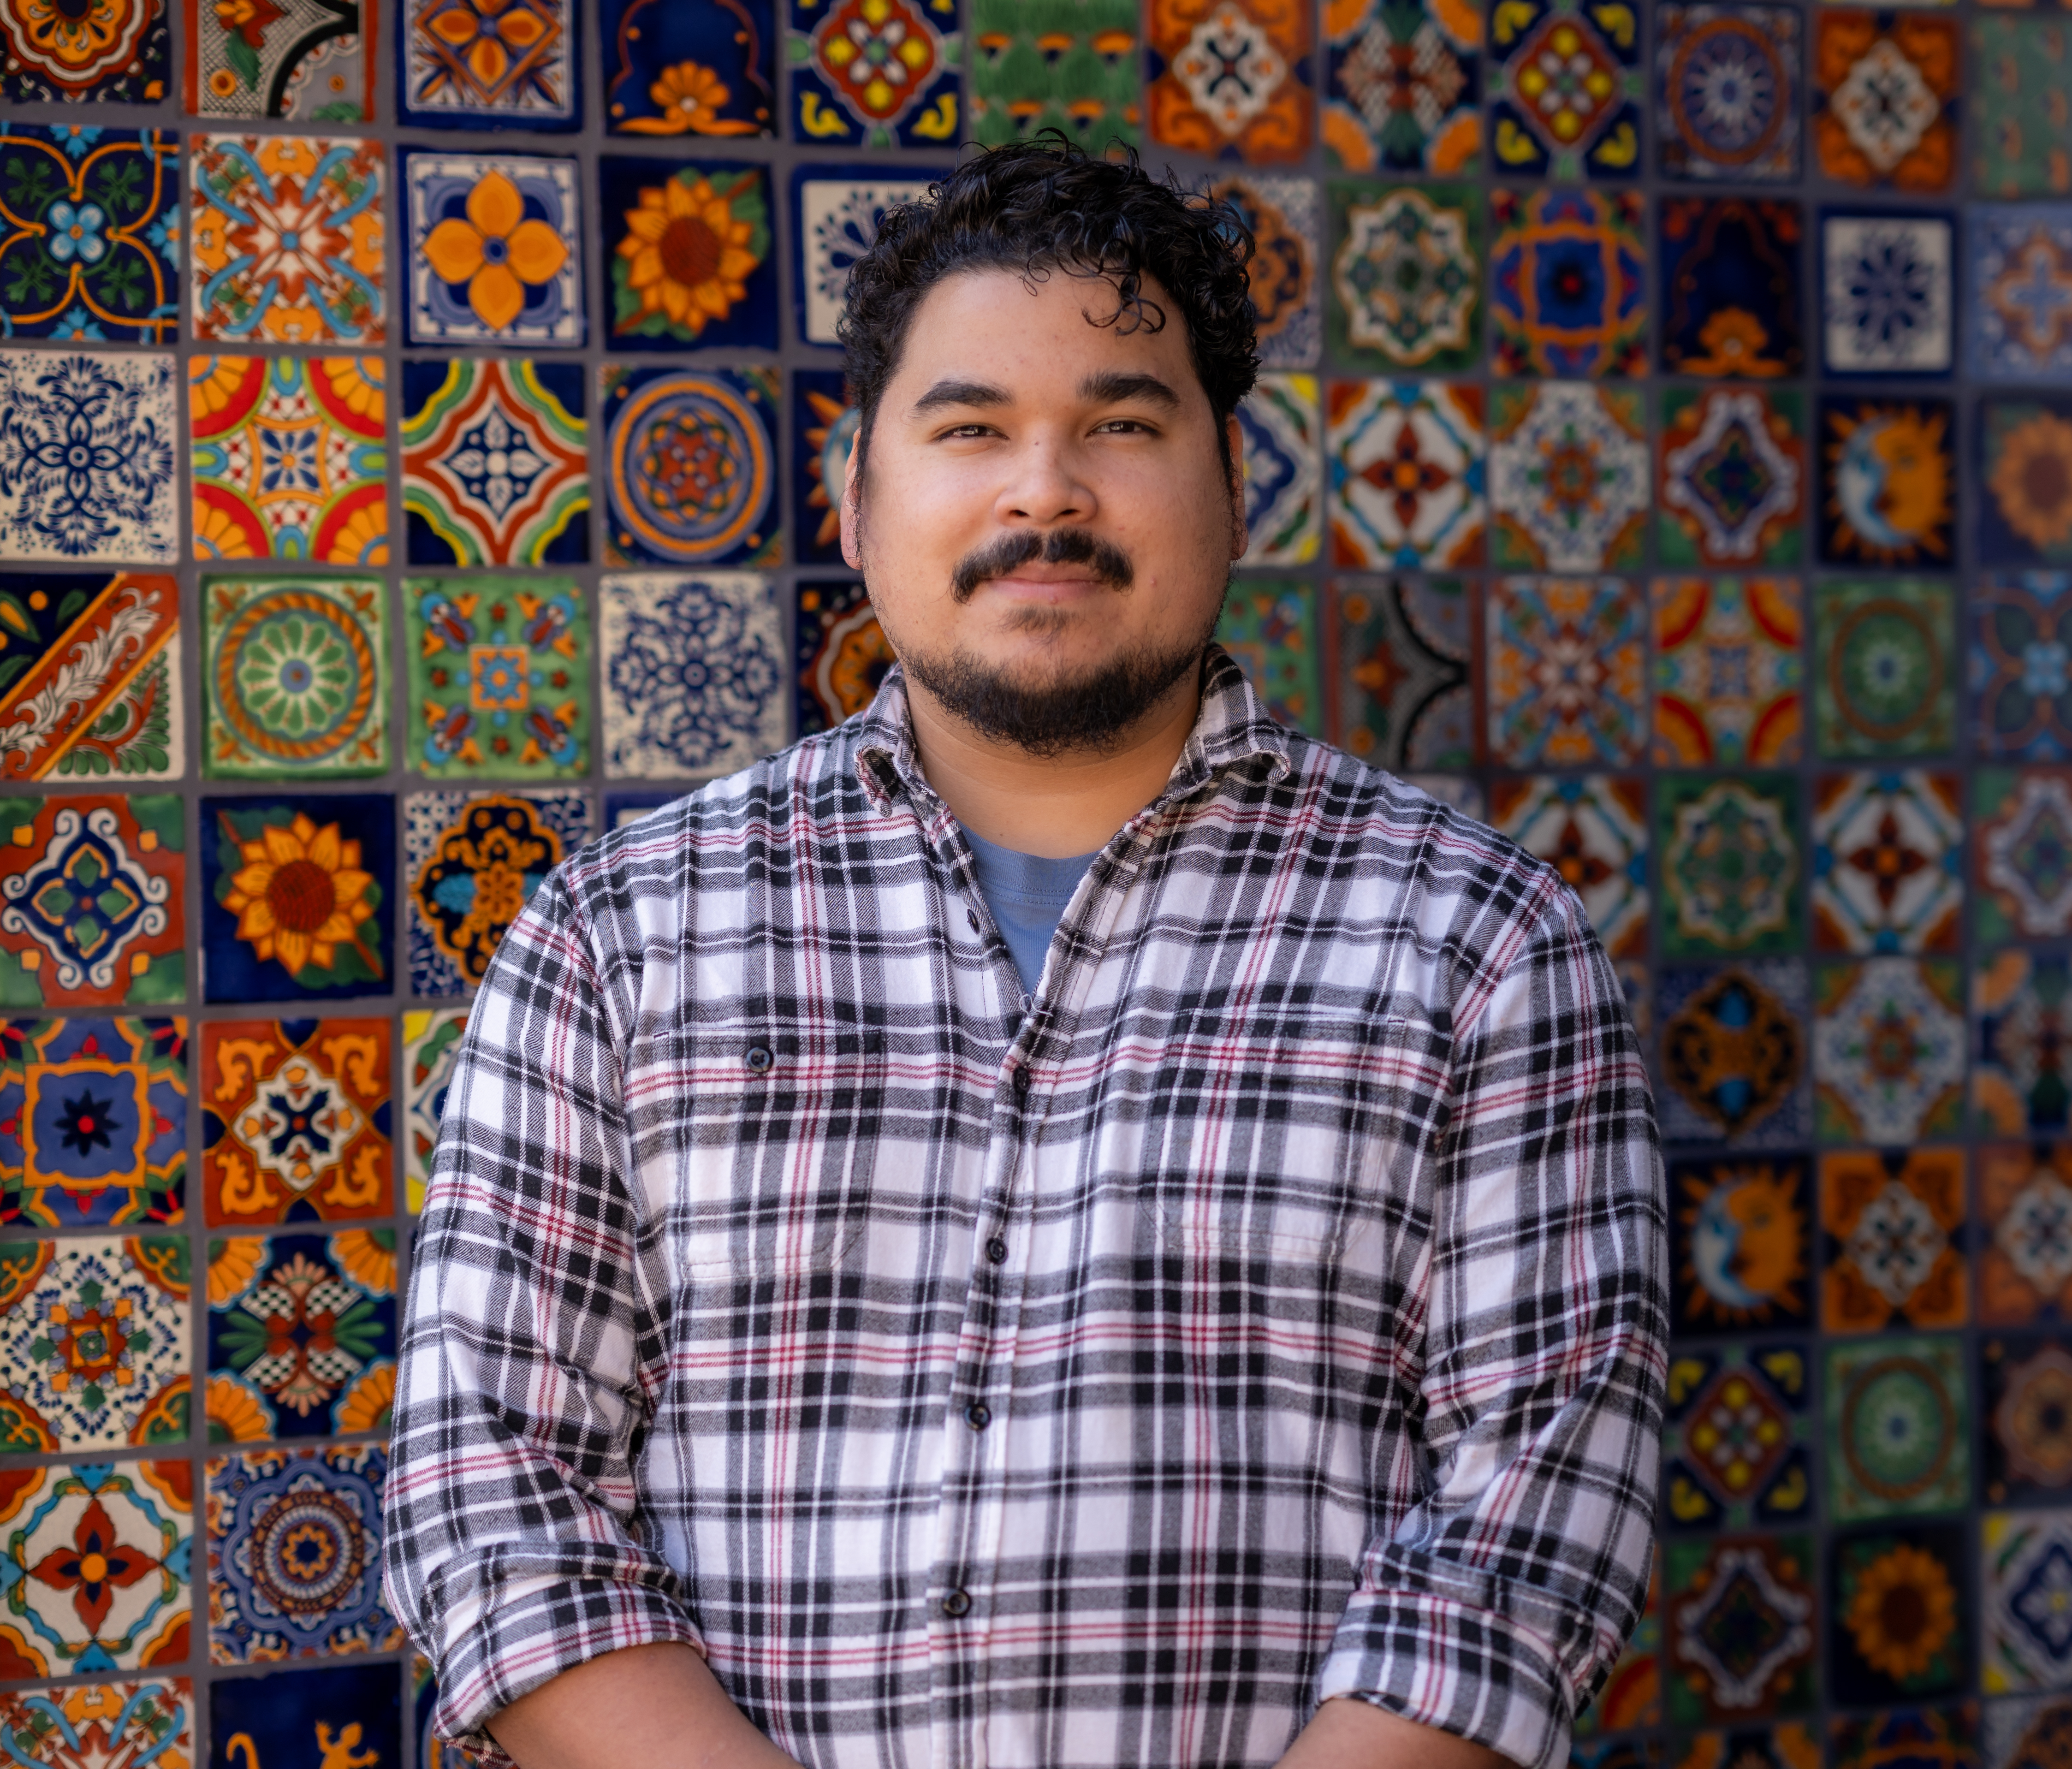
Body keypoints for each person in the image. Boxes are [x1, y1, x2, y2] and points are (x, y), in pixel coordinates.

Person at [385, 138, 1668, 1769]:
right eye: (972, 427)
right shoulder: (622, 937)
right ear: (858, 500)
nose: (1044, 487)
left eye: (1124, 425)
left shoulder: (1479, 944)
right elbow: (488, 1489)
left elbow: (1533, 1531)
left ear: (1231, 490)